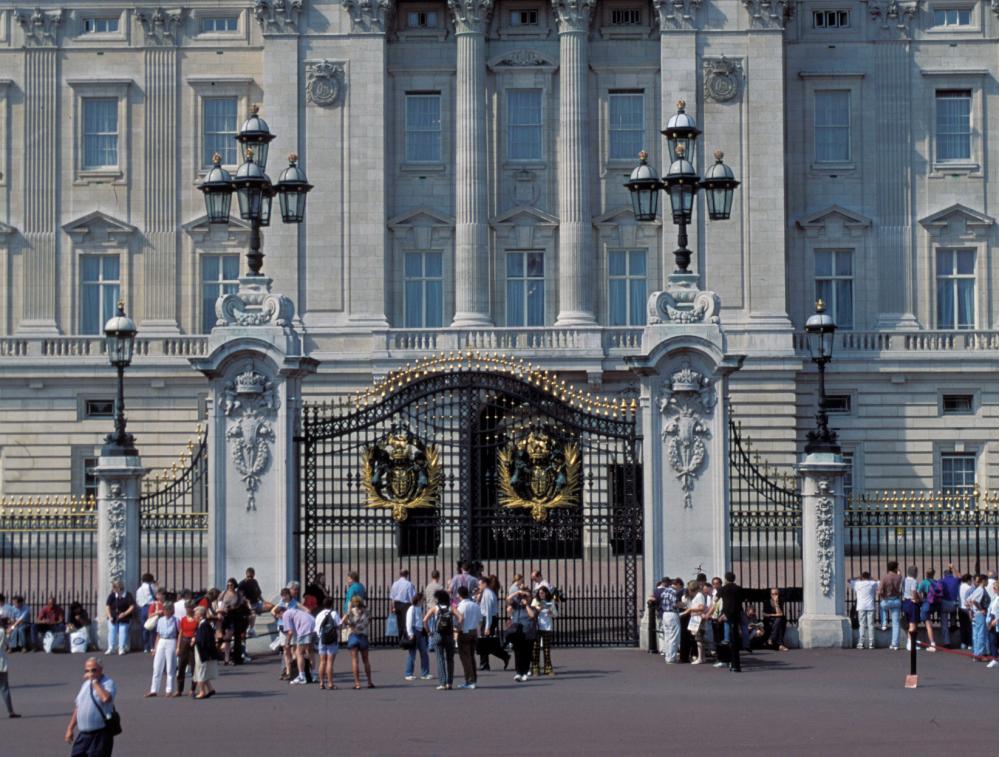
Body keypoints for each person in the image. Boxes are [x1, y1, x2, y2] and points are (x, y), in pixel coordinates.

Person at [65, 657, 116, 757]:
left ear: (101, 670)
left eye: (93, 670)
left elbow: (105, 698)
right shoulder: (85, 685)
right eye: (87, 670)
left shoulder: (108, 683)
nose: (90, 673)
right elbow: (78, 708)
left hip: (99, 735)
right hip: (83, 735)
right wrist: (70, 728)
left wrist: (95, 682)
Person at [424, 589, 457, 690]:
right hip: (449, 635)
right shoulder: (451, 608)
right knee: (450, 659)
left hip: (438, 634)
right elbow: (461, 617)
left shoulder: (435, 608)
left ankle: (442, 683)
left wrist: (429, 632)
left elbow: (425, 620)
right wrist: (456, 628)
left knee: (440, 659)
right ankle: (449, 683)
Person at [145, 601, 179, 697]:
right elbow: (158, 635)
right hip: (162, 641)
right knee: (157, 666)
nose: (164, 611)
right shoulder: (160, 620)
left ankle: (169, 689)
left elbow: (179, 633)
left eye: (167, 609)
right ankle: (154, 689)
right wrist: (155, 648)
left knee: (170, 666)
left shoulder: (176, 620)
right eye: (164, 609)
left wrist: (178, 646)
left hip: (171, 640)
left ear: (171, 611)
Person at [278, 604, 316, 685]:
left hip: (305, 627)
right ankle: (313, 674)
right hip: (313, 623)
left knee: (299, 653)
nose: (279, 618)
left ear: (280, 613)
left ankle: (302, 677)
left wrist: (287, 642)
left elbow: (290, 632)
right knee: (310, 651)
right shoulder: (294, 611)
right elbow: (294, 631)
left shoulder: (285, 614)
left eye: (278, 616)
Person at [477, 575, 509, 671]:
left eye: (480, 584)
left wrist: (487, 626)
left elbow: (488, 611)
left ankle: (485, 664)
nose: (479, 586)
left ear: (484, 584)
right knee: (486, 643)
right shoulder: (489, 592)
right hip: (489, 618)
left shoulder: (487, 594)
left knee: (485, 642)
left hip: (488, 619)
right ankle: (486, 663)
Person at [507, 584, 537, 682]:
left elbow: (532, 616)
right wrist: (517, 592)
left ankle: (525, 671)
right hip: (518, 632)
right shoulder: (516, 605)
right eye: (522, 595)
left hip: (528, 633)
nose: (523, 597)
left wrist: (526, 604)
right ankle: (519, 672)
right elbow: (508, 599)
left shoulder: (533, 605)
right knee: (518, 653)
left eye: (525, 595)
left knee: (527, 653)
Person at [344, 595, 375, 689]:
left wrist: (350, 624)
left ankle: (357, 683)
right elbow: (368, 622)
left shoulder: (350, 613)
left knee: (355, 660)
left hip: (353, 636)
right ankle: (369, 682)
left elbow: (344, 621)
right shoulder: (367, 612)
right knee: (366, 660)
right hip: (363, 636)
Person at [454, 585, 481, 689]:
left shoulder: (461, 606)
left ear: (460, 595)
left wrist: (456, 628)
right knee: (471, 657)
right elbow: (480, 618)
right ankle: (473, 679)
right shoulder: (475, 605)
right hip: (473, 631)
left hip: (464, 632)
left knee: (465, 658)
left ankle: (469, 681)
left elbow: (459, 620)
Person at [651, 578, 682, 664]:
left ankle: (668, 656)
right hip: (672, 613)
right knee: (674, 636)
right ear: (678, 584)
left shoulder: (664, 591)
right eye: (680, 587)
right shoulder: (673, 592)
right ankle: (671, 658)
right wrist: (684, 604)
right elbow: (675, 603)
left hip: (665, 614)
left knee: (667, 636)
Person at [717, 572, 742, 672]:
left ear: (726, 579)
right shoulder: (739, 589)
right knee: (735, 640)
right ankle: (736, 665)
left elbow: (716, 599)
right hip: (736, 615)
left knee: (728, 640)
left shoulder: (723, 589)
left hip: (727, 615)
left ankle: (730, 662)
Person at [315, 596, 341, 690]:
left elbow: (316, 629)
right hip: (332, 639)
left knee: (322, 662)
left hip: (322, 639)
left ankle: (321, 682)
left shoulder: (319, 614)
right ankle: (330, 683)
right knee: (330, 662)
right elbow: (338, 625)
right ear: (332, 604)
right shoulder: (334, 613)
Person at [403, 592, 431, 681]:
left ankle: (425, 673)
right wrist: (410, 633)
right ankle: (408, 673)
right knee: (412, 654)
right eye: (423, 599)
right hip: (414, 631)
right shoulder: (412, 608)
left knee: (424, 652)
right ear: (419, 599)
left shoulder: (419, 608)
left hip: (419, 631)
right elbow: (408, 622)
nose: (424, 600)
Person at [531, 585, 558, 675]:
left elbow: (556, 614)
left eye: (542, 593)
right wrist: (538, 609)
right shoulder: (535, 601)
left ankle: (548, 669)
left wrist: (551, 612)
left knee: (546, 649)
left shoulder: (551, 601)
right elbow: (531, 614)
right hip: (538, 627)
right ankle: (535, 668)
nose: (541, 594)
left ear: (546, 593)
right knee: (536, 649)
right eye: (539, 593)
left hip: (547, 627)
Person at [877, 561, 903, 650]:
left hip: (887, 601)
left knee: (882, 606)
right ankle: (894, 644)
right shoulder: (899, 577)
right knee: (896, 623)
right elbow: (900, 574)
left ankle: (884, 623)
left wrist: (883, 597)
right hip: (896, 601)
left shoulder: (885, 577)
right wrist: (899, 572)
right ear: (895, 568)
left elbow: (879, 591)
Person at [850, 572, 879, 650]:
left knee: (862, 625)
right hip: (870, 606)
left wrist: (857, 577)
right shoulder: (872, 583)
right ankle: (871, 643)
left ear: (862, 577)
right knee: (871, 625)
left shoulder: (857, 584)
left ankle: (861, 642)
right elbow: (879, 582)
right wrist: (872, 578)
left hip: (861, 606)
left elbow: (849, 580)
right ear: (869, 576)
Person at [176, 601, 199, 697]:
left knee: (194, 667)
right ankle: (179, 690)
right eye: (186, 608)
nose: (188, 609)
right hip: (184, 642)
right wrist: (178, 647)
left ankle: (193, 688)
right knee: (181, 666)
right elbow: (180, 633)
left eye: (189, 607)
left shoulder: (196, 619)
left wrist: (195, 637)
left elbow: (198, 631)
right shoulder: (183, 619)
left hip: (193, 643)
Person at [104, 581, 134, 656]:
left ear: (119, 588)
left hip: (124, 617)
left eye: (114, 587)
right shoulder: (112, 595)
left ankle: (121, 648)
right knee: (112, 630)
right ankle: (111, 647)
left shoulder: (127, 595)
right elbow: (107, 606)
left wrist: (125, 613)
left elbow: (132, 606)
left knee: (123, 631)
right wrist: (110, 616)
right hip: (113, 617)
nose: (113, 589)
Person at [0, 617, 21, 718]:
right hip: (1, 662)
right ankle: (10, 711)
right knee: (4, 688)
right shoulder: (2, 632)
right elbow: (7, 643)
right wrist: (10, 631)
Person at [967, 574, 990, 661]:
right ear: (983, 581)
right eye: (987, 580)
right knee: (981, 634)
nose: (988, 582)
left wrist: (971, 610)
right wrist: (981, 609)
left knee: (976, 635)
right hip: (980, 614)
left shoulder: (976, 590)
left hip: (975, 614)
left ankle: (976, 653)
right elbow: (974, 601)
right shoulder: (981, 590)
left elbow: (968, 601)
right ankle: (979, 654)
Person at [917, 569, 940, 652]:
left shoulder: (924, 582)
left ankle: (932, 643)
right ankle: (932, 643)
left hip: (927, 604)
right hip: (935, 605)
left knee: (928, 624)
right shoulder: (936, 582)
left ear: (926, 574)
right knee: (928, 623)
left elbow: (918, 592)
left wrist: (921, 600)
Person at [389, 568, 416, 640]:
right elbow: (411, 598)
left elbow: (392, 597)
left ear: (400, 574)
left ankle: (400, 638)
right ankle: (406, 639)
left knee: (399, 622)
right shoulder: (409, 584)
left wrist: (392, 607)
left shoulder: (395, 583)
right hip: (405, 605)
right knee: (406, 622)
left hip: (397, 604)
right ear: (407, 575)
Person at [136, 573, 158, 654]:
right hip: (151, 607)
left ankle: (146, 647)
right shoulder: (151, 586)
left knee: (144, 628)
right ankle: (152, 646)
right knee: (153, 627)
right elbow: (156, 594)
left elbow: (137, 601)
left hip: (142, 608)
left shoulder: (139, 589)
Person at [238, 567, 263, 637]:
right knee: (253, 615)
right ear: (246, 574)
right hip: (247, 605)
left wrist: (264, 601)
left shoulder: (255, 582)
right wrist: (248, 604)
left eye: (251, 576)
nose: (250, 578)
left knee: (271, 607)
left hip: (256, 603)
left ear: (254, 575)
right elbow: (241, 597)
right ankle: (251, 629)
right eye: (248, 576)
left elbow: (259, 594)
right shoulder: (242, 584)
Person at [761, 587, 789, 652]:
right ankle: (780, 645)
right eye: (773, 594)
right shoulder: (767, 602)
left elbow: (780, 614)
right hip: (769, 620)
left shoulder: (780, 601)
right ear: (770, 594)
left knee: (780, 620)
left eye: (776, 594)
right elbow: (765, 614)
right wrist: (772, 615)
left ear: (778, 594)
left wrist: (776, 603)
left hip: (777, 620)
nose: (774, 595)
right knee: (780, 621)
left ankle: (772, 638)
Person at [901, 566, 921, 652]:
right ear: (915, 572)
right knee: (913, 624)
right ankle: (910, 644)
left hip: (905, 602)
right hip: (912, 603)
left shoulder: (904, 580)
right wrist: (916, 599)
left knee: (910, 623)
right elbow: (913, 591)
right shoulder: (914, 581)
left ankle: (911, 643)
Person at [958, 573, 975, 650]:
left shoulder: (960, 586)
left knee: (963, 627)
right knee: (969, 627)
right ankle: (970, 643)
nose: (971, 581)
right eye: (971, 580)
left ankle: (963, 643)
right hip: (968, 609)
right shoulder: (969, 588)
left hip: (961, 608)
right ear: (968, 580)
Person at [986, 591, 999, 669]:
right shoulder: (994, 598)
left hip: (996, 619)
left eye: (995, 588)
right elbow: (990, 609)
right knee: (992, 639)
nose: (993, 589)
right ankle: (995, 658)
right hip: (992, 618)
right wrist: (989, 620)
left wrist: (996, 620)